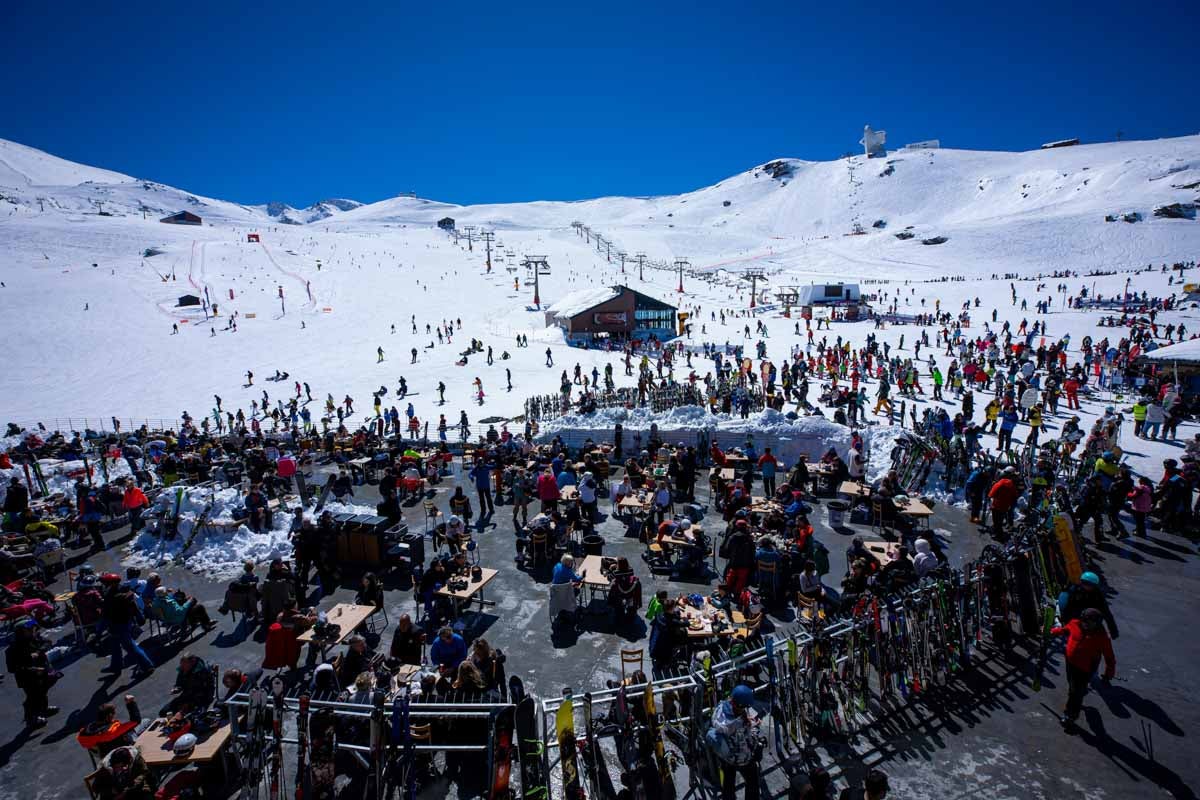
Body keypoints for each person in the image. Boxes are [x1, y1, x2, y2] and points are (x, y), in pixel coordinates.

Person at [1052, 608, 1115, 726]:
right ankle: (1079, 692)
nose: (1088, 625)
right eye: (1087, 622)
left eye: (1092, 623)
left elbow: (1110, 658)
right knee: (1072, 685)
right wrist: (1053, 632)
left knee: (1075, 693)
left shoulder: (1102, 637)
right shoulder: (1074, 624)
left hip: (1085, 668)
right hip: (1070, 663)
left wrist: (1108, 674)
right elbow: (1065, 630)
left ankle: (1070, 715)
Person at [710, 684, 764, 800]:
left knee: (728, 784)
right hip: (741, 759)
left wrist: (746, 720)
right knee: (752, 782)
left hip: (726, 756)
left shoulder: (720, 709)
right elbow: (748, 742)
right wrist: (755, 726)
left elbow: (732, 720)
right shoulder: (740, 725)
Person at [6, 621, 59, 727]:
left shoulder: (34, 638)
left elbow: (48, 642)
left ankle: (44, 709)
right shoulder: (13, 648)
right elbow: (12, 668)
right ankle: (30, 719)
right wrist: (32, 668)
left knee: (43, 691)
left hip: (43, 671)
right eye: (28, 630)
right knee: (33, 696)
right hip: (27, 677)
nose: (32, 631)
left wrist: (38, 652)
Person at [1057, 571, 1119, 638]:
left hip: (1087, 613)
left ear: (1093, 585)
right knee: (1064, 599)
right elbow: (1068, 608)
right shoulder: (1075, 590)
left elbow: (1107, 613)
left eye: (1087, 584)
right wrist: (1065, 623)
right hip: (1075, 613)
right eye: (1083, 582)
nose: (1084, 585)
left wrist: (1113, 631)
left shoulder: (1098, 595)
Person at [158, 652, 215, 717]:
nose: (182, 667)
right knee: (164, 712)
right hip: (187, 695)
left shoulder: (203, 671)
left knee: (192, 717)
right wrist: (176, 688)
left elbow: (208, 689)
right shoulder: (183, 670)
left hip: (201, 697)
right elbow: (179, 684)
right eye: (182, 664)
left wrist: (188, 704)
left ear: (192, 662)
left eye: (185, 664)